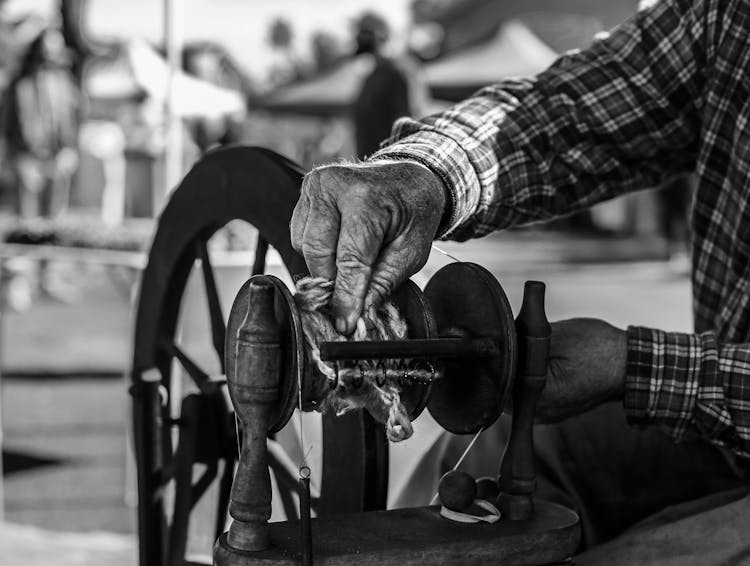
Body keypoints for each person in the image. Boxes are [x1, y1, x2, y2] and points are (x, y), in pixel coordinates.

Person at [290, 0, 750, 561]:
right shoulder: (728, 17)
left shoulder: (392, 76)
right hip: (723, 430)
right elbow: (569, 114)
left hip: (718, 395)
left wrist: (633, 366)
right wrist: (429, 173)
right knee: (486, 457)